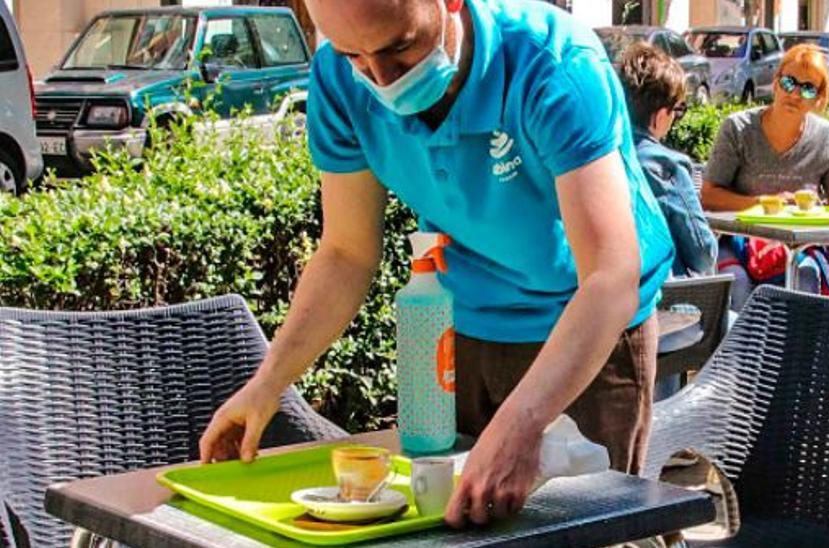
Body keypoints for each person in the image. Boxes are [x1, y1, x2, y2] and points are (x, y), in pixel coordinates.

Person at [197, 0, 675, 529]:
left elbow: (610, 278)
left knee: (582, 538)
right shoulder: (338, 79)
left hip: (585, 331)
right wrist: (266, 386)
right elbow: (345, 252)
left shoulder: (552, 61)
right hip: (465, 325)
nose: (381, 80)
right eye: (355, 55)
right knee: (453, 529)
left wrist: (521, 421)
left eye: (400, 47)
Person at [700, 44, 829, 309]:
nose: (794, 93)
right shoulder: (738, 129)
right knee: (736, 282)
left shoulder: (828, 137)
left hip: (802, 245)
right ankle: (738, 351)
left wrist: (816, 217)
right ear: (775, 82)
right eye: (788, 82)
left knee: (805, 276)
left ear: (819, 99)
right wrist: (761, 203)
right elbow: (709, 194)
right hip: (740, 241)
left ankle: (797, 351)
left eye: (807, 88)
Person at [617, 42, 716, 279]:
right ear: (661, 114)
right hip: (665, 301)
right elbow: (702, 255)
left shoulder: (594, 156)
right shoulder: (666, 166)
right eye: (678, 110)